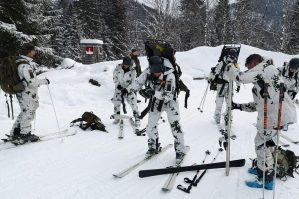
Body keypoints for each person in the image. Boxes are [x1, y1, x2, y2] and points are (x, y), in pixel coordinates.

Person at [226, 54, 296, 190]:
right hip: (276, 115)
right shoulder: (263, 78)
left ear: (254, 62)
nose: (249, 71)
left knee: (261, 144)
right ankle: (261, 167)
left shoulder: (264, 68)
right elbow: (258, 105)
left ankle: (266, 178)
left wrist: (229, 65)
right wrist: (239, 106)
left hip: (277, 116)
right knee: (267, 144)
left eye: (249, 68)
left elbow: (239, 77)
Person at [130, 55, 186, 164]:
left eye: (157, 71)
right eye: (153, 71)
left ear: (161, 68)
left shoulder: (170, 75)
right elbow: (138, 82)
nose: (156, 74)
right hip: (156, 101)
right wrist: (135, 90)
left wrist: (153, 93)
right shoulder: (148, 71)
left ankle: (180, 150)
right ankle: (153, 146)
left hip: (170, 103)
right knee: (150, 126)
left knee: (175, 126)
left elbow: (169, 95)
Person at [8, 43, 50, 144]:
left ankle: (15, 132)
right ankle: (25, 134)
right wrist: (44, 81)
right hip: (27, 92)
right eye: (33, 50)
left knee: (24, 111)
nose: (34, 52)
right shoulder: (25, 65)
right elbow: (32, 81)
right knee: (29, 112)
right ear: (29, 52)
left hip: (23, 92)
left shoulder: (19, 62)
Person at [208, 48, 240, 126]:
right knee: (219, 103)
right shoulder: (222, 63)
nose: (233, 58)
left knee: (229, 103)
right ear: (228, 55)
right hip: (221, 85)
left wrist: (238, 85)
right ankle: (217, 118)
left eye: (234, 57)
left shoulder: (236, 64)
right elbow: (214, 72)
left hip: (230, 85)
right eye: (232, 57)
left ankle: (228, 118)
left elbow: (238, 75)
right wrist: (210, 78)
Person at [112, 56, 140, 127]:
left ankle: (137, 117)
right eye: (125, 64)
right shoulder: (117, 69)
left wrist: (127, 89)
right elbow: (114, 78)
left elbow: (134, 82)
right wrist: (118, 84)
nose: (127, 66)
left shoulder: (133, 71)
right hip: (119, 89)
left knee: (133, 102)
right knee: (116, 102)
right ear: (123, 63)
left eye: (128, 64)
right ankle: (117, 117)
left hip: (128, 90)